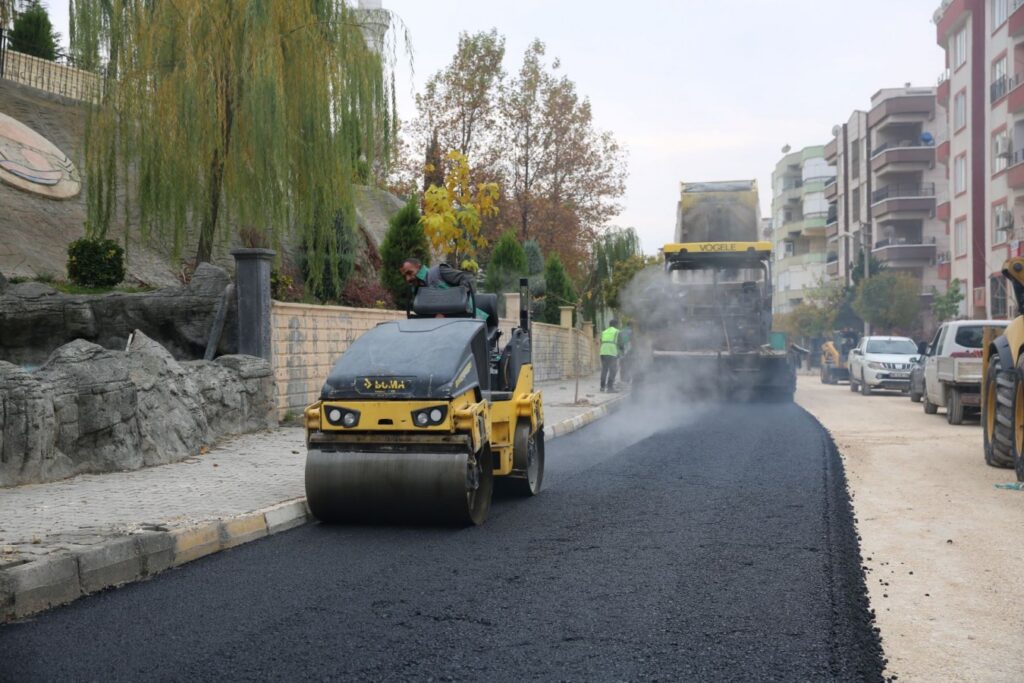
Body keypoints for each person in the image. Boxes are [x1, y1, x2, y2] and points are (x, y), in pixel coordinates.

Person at [400, 257, 487, 320]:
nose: (407, 279)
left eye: (409, 273)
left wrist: (455, 299)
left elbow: (468, 278)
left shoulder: (438, 272)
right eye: (404, 277)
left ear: (419, 267)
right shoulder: (416, 292)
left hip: (470, 320)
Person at [600, 318, 622, 392]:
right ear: (616, 325)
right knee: (613, 370)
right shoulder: (617, 331)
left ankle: (602, 387)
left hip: (603, 352)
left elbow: (601, 340)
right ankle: (610, 388)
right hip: (612, 352)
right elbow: (620, 343)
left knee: (604, 369)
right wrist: (621, 351)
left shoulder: (604, 332)